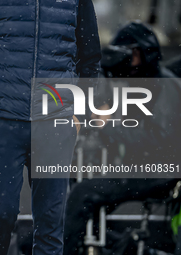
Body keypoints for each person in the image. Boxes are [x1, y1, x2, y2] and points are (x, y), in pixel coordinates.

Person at [0, 0, 101, 254]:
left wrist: (78, 115)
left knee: (50, 225)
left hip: (55, 124)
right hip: (2, 121)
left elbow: (91, 58)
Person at [63, 22, 181, 255]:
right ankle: (105, 246)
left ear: (142, 53)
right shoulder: (141, 83)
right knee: (83, 192)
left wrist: (109, 125)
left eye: (129, 54)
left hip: (159, 173)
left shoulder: (164, 86)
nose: (124, 61)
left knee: (83, 195)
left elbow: (157, 139)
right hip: (145, 168)